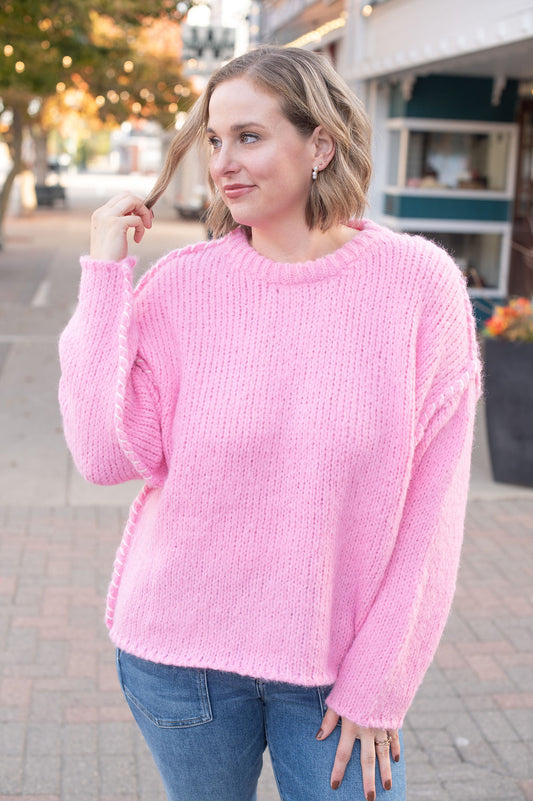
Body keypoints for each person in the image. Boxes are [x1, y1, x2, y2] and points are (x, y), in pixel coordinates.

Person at [58, 46, 482, 801]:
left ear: (319, 144)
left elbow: (432, 514)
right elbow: (102, 453)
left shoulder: (419, 287)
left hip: (336, 671)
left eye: (249, 137)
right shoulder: (181, 288)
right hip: (180, 658)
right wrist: (103, 276)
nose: (223, 161)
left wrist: (380, 681)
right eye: (214, 140)